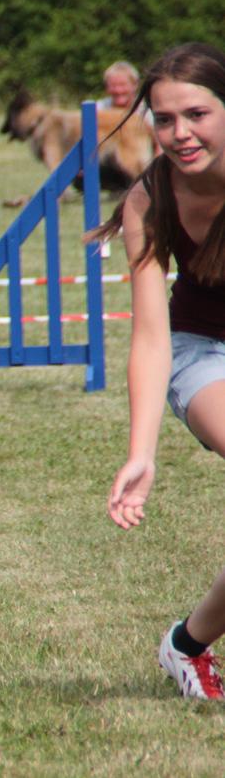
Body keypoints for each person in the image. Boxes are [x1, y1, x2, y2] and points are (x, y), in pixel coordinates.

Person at [98, 42, 225, 700]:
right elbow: (150, 339)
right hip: (202, 352)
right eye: (164, 118)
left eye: (197, 114)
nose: (180, 133)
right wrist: (141, 453)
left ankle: (186, 644)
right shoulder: (149, 200)